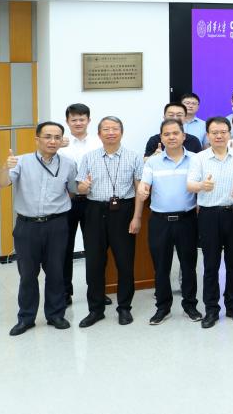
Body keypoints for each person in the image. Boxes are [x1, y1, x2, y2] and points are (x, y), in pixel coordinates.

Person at [0, 121, 78, 335]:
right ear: (37, 139)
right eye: (47, 136)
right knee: (27, 274)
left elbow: (73, 189)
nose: (52, 141)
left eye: (57, 137)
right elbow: (1, 183)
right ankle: (26, 318)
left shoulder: (69, 164)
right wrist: (6, 167)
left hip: (57, 225)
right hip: (27, 226)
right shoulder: (20, 161)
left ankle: (56, 315)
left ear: (62, 140)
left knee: (56, 272)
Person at [75, 116, 144, 328]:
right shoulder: (89, 157)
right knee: (94, 263)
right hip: (94, 211)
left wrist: (137, 217)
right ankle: (95, 310)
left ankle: (124, 308)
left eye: (115, 128)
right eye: (106, 129)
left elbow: (139, 190)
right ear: (99, 134)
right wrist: (83, 187)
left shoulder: (133, 157)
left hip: (123, 211)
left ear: (121, 132)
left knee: (125, 262)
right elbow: (79, 188)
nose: (111, 132)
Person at [137, 118, 201, 325]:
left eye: (175, 133)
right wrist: (143, 189)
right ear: (161, 138)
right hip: (160, 222)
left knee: (188, 266)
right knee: (161, 267)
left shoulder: (196, 160)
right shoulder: (152, 162)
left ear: (184, 136)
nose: (171, 137)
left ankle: (190, 305)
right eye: (166, 134)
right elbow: (144, 184)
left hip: (187, 220)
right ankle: (163, 307)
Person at [186, 116, 233, 328]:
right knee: (211, 264)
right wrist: (201, 186)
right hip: (209, 215)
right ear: (208, 135)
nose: (219, 136)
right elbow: (190, 184)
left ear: (229, 133)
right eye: (214, 132)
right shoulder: (199, 158)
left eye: (223, 132)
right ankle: (211, 309)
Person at [58, 103, 100, 305]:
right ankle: (65, 292)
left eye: (82, 119)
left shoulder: (98, 143)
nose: (78, 123)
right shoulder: (60, 145)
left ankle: (97, 291)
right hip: (67, 201)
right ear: (67, 122)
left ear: (88, 121)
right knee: (64, 248)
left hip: (92, 201)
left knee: (95, 248)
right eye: (73, 119)